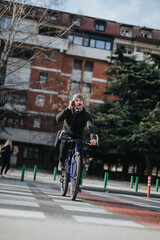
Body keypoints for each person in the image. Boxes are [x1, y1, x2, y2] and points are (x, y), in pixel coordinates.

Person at [56, 93, 97, 171]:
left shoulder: (86, 115)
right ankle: (61, 162)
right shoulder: (69, 111)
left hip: (78, 136)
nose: (79, 102)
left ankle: (76, 173)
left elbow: (90, 126)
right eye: (76, 100)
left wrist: (93, 138)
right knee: (64, 143)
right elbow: (58, 119)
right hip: (67, 135)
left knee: (80, 155)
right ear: (73, 102)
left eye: (80, 100)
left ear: (83, 102)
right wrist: (68, 108)